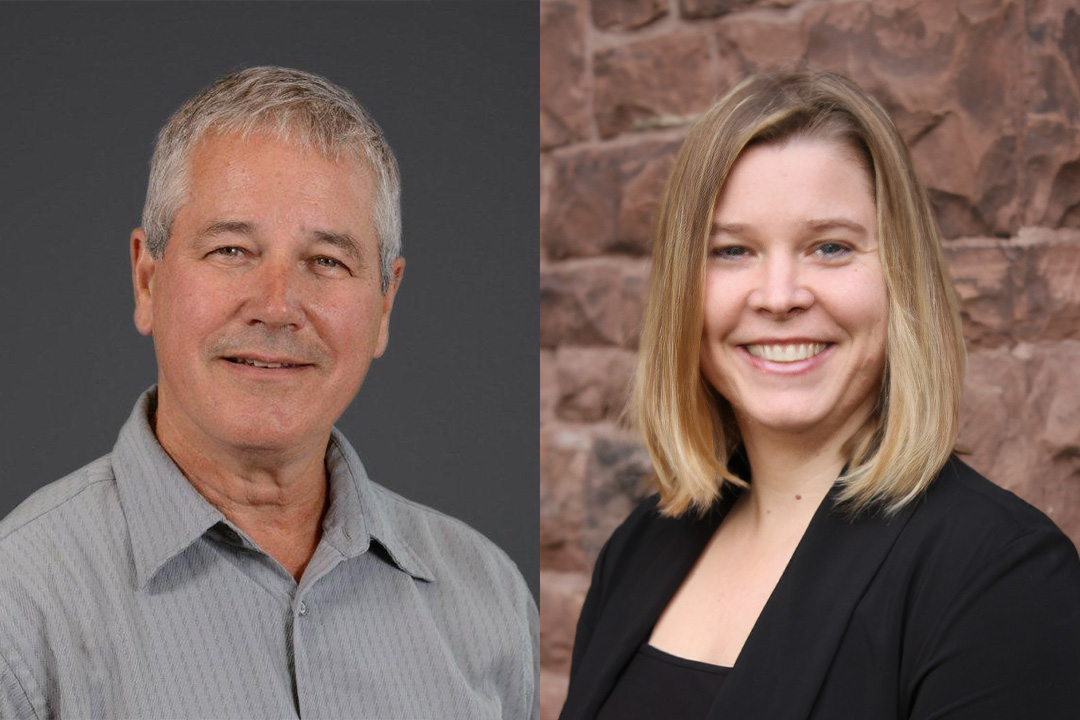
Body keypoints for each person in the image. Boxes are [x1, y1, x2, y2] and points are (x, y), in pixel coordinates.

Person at [0, 66, 536, 719]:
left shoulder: (492, 601)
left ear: (386, 302)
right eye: (232, 250)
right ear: (147, 280)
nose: (279, 306)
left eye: (327, 261)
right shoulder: (20, 604)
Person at [558, 70, 1080, 719]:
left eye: (830, 247)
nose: (779, 296)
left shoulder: (1001, 576)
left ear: (901, 276)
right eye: (731, 250)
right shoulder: (638, 547)